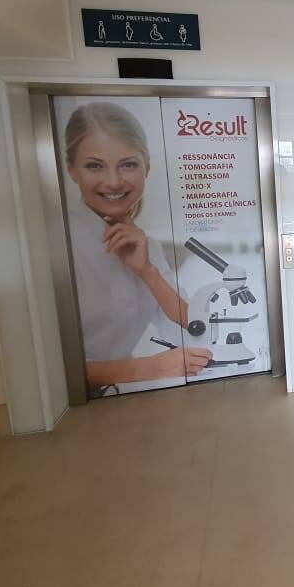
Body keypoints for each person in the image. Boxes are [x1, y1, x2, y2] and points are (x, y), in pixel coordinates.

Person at [62, 102, 211, 392]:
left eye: (127, 165)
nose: (113, 182)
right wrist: (149, 368)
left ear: (147, 168)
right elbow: (49, 365)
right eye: (95, 166)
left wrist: (147, 271)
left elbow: (192, 328)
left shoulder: (146, 246)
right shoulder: (59, 242)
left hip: (119, 399)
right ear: (72, 170)